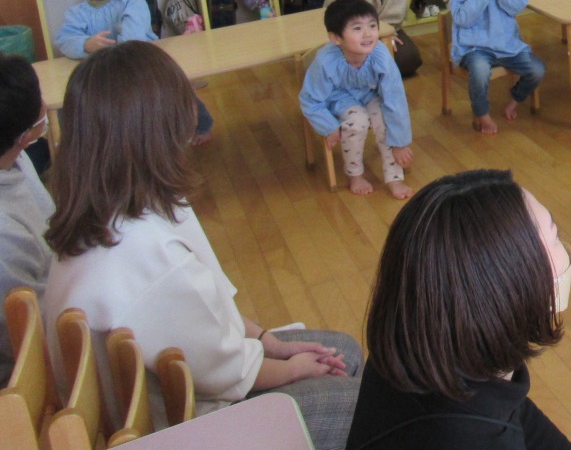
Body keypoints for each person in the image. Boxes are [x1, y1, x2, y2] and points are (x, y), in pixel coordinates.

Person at [44, 42, 363, 447]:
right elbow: (223, 372)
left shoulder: (100, 211)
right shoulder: (149, 254)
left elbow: (210, 314)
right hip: (181, 427)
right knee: (358, 400)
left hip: (171, 399)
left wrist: (265, 339)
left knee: (345, 351)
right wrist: (291, 368)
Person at [347, 169, 571, 449]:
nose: (564, 248)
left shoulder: (420, 332)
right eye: (555, 234)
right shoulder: (469, 438)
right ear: (510, 282)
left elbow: (515, 411)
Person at [54, 0, 214, 144]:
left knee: (176, 85)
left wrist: (113, 54)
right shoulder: (76, 13)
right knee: (71, 98)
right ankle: (81, 144)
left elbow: (134, 35)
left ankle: (202, 126)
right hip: (105, 74)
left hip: (143, 63)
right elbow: (65, 40)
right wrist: (85, 44)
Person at [300, 0, 414, 199]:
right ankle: (355, 175)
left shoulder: (380, 55)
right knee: (357, 121)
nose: (368, 34)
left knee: (384, 120)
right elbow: (310, 99)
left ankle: (395, 179)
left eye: (372, 25)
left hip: (370, 94)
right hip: (339, 99)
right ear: (336, 38)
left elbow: (395, 99)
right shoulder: (326, 61)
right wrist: (328, 126)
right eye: (357, 28)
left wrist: (400, 142)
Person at [449, 0, 545, 135]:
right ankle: (482, 113)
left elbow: (519, 4)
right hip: (475, 48)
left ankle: (514, 100)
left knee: (537, 69)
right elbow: (462, 19)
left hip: (507, 45)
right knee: (480, 71)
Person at [0, 54, 53, 383]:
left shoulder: (14, 159)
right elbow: (30, 336)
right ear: (24, 136)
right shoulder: (5, 234)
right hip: (28, 370)